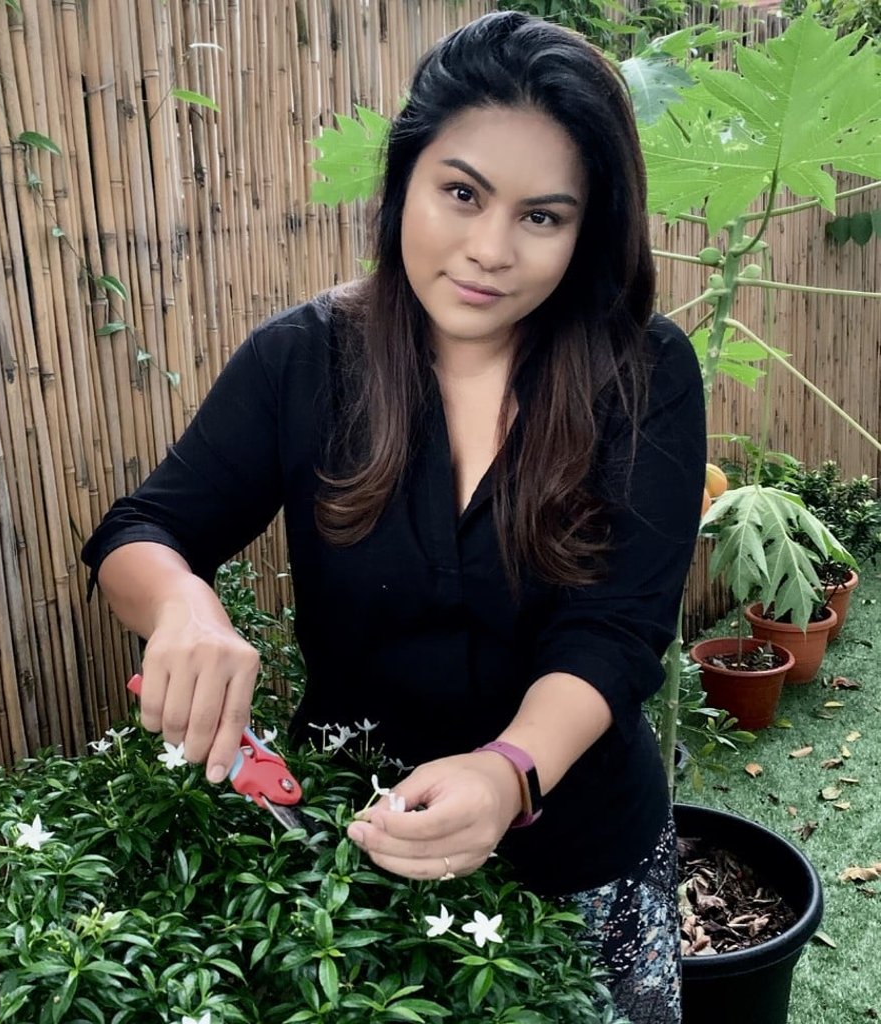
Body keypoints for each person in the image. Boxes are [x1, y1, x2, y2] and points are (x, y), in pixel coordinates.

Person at [82, 11, 706, 1022]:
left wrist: (509, 772)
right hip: (355, 840)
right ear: (405, 178)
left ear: (587, 230)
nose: (489, 250)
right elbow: (140, 530)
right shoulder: (301, 362)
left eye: (542, 216)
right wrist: (181, 605)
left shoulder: (643, 373)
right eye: (461, 193)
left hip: (579, 847)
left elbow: (619, 632)